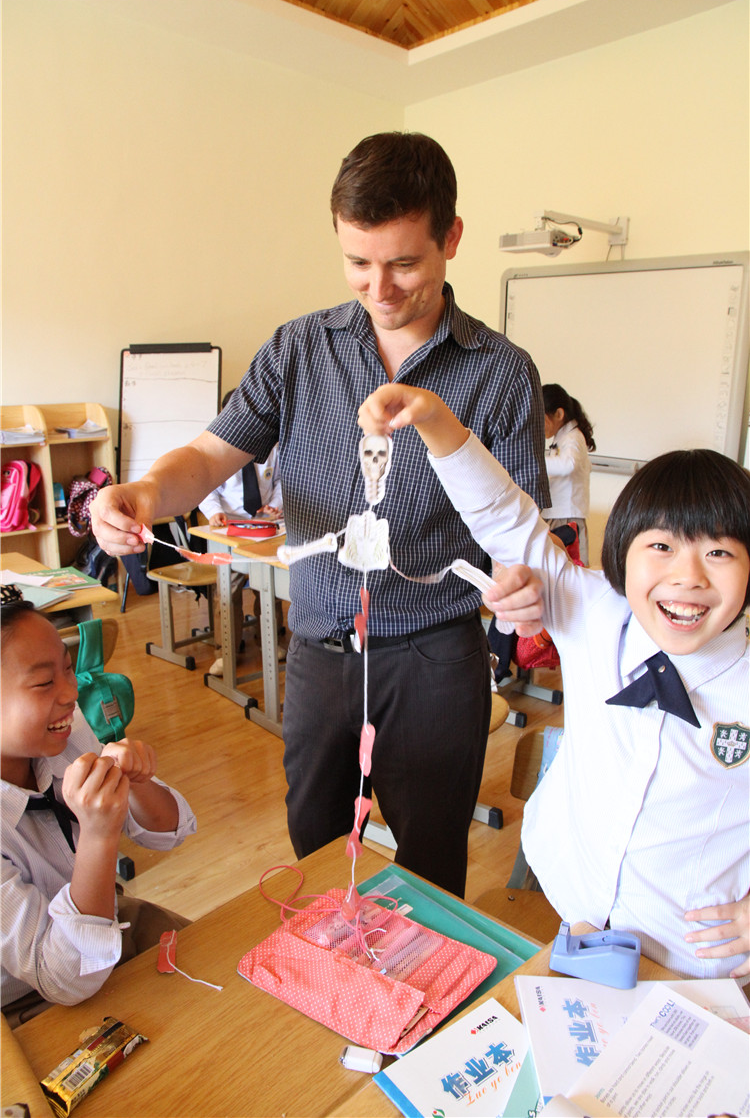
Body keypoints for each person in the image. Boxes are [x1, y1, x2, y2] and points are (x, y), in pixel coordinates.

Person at [90, 131, 549, 898]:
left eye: (404, 263)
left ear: (451, 238)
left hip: (435, 654)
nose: (381, 288)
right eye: (358, 262)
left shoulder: (500, 372)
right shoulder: (299, 349)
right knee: (316, 841)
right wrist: (141, 494)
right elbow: (207, 456)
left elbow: (520, 529)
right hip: (319, 648)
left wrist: (521, 581)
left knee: (431, 860)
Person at [357, 382, 750, 981]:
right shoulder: (595, 611)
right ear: (623, 554)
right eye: (661, 546)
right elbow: (504, 517)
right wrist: (436, 422)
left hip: (693, 960)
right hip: (571, 915)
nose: (687, 576)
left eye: (719, 553)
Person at [1, 592, 197, 1022]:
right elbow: (62, 978)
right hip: (26, 996)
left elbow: (172, 832)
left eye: (68, 669)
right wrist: (97, 835)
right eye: (44, 682)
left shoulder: (62, 732)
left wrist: (137, 782)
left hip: (104, 923)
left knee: (215, 968)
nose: (71, 693)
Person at [198, 389, 285, 676]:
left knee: (268, 585)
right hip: (229, 528)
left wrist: (274, 506)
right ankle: (226, 652)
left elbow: (281, 481)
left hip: (263, 525)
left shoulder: (271, 445)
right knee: (228, 590)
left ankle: (270, 642)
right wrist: (214, 512)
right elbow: (205, 487)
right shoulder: (217, 448)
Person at [541, 383, 596, 565]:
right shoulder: (562, 438)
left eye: (541, 419)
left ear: (559, 414)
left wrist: (535, 462)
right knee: (553, 566)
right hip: (555, 513)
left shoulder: (574, 436)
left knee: (574, 567)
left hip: (567, 515)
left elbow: (569, 464)